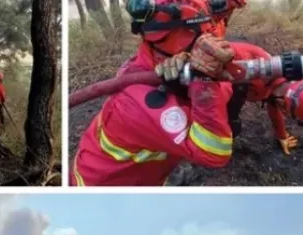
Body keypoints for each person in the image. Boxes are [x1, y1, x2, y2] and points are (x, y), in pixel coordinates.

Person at [70, 0, 236, 186]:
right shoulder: (137, 103)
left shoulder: (152, 59)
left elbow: (232, 69)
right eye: (206, 33)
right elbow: (214, 153)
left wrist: (199, 66)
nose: (210, 37)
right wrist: (204, 80)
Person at [226, 42, 303, 155]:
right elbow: (223, 54)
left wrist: (282, 135)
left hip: (237, 89)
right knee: (227, 124)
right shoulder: (250, 62)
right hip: (217, 85)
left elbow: (273, 104)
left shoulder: (278, 86)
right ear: (283, 101)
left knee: (232, 123)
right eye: (284, 109)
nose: (282, 110)